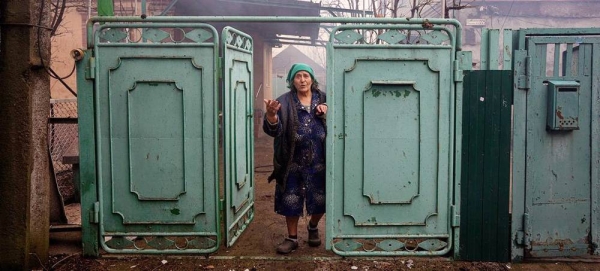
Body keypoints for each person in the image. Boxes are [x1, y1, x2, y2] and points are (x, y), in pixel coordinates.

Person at [263, 63, 328, 254]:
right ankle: (292, 238)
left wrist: (328, 111)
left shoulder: (324, 98)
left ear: (312, 79)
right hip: (292, 161)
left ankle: (313, 227)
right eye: (298, 76)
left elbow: (339, 124)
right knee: (290, 200)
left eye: (306, 76)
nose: (302, 80)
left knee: (320, 199)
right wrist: (271, 115)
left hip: (320, 162)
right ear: (292, 80)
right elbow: (274, 131)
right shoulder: (283, 101)